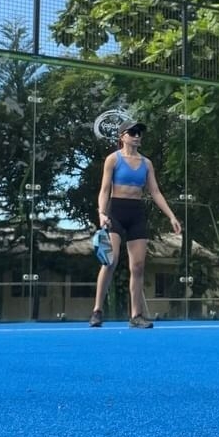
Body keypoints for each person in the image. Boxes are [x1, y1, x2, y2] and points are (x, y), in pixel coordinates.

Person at [89, 120, 182, 329]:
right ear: (122, 136)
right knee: (109, 262)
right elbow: (104, 190)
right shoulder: (113, 159)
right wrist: (102, 214)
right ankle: (97, 311)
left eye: (139, 132)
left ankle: (136, 315)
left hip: (137, 212)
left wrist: (171, 216)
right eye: (132, 132)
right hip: (116, 212)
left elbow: (155, 192)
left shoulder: (146, 163)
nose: (137, 135)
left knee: (138, 266)